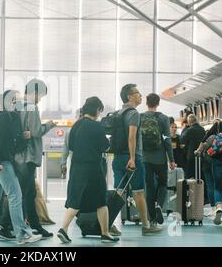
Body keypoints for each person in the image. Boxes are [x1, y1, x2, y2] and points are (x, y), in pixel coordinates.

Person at [0, 90, 42, 246]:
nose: (19, 101)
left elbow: (10, 142)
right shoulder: (4, 117)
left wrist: (21, 138)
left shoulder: (8, 117)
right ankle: (22, 234)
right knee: (15, 195)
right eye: (16, 99)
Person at [57, 97, 119, 244]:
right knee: (101, 201)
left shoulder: (76, 125)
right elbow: (105, 146)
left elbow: (71, 146)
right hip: (93, 168)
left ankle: (63, 229)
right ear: (97, 110)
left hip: (77, 167)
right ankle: (105, 233)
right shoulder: (96, 126)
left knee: (75, 201)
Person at [112, 84, 162, 236]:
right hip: (132, 158)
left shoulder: (118, 113)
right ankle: (146, 226)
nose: (141, 95)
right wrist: (133, 158)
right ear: (129, 96)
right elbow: (132, 136)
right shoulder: (133, 113)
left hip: (118, 157)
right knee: (139, 192)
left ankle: (108, 223)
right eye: (138, 93)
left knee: (118, 192)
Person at [14, 79, 57, 238]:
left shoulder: (17, 105)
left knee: (28, 192)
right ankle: (4, 225)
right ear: (34, 92)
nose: (40, 99)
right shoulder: (31, 107)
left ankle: (35, 225)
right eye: (40, 95)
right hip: (28, 156)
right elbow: (37, 131)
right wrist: (50, 125)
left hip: (17, 155)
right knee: (23, 192)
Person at [141, 93, 176, 225]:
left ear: (146, 102)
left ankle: (152, 219)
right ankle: (159, 207)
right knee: (162, 185)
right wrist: (171, 160)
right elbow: (167, 140)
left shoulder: (140, 117)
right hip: (160, 159)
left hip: (145, 158)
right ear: (158, 103)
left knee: (149, 188)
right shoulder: (163, 118)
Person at [180, 114, 205, 179]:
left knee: (190, 177)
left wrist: (184, 128)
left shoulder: (189, 130)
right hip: (201, 157)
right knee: (200, 177)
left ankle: (191, 189)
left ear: (189, 122)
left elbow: (182, 140)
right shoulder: (202, 129)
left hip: (191, 156)